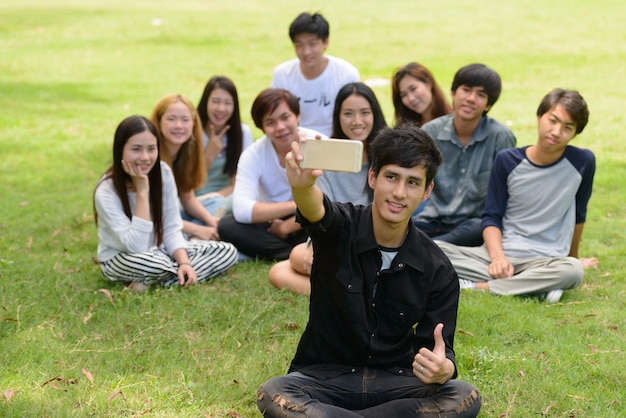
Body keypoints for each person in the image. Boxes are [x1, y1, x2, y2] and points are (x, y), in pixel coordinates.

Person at [257, 124, 481, 417]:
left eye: (413, 182)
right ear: (373, 177)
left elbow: (440, 352)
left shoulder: (437, 268)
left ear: (427, 191)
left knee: (463, 396)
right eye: (391, 177)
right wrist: (301, 186)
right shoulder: (341, 227)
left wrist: (443, 369)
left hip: (395, 381)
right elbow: (316, 210)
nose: (399, 193)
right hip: (324, 378)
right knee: (276, 391)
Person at [436, 88, 598, 303]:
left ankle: (481, 286)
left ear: (575, 133)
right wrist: (498, 258)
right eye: (553, 120)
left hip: (545, 259)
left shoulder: (582, 162)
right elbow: (492, 216)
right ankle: (536, 286)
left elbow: (579, 213)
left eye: (567, 127)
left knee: (573, 271)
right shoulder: (507, 160)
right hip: (498, 253)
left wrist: (573, 258)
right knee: (432, 249)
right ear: (540, 117)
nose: (557, 132)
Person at [93, 116, 238, 292]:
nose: (145, 157)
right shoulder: (106, 191)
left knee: (226, 251)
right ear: (120, 150)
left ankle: (154, 282)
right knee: (155, 264)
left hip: (160, 249)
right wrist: (142, 192)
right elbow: (136, 246)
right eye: (136, 149)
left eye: (151, 149)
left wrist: (184, 263)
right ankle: (171, 277)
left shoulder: (163, 173)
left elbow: (171, 227)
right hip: (123, 257)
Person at [268, 82, 387, 295]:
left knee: (295, 261)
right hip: (335, 242)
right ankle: (352, 293)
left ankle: (349, 291)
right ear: (338, 117)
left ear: (375, 115)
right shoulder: (328, 158)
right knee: (283, 267)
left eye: (364, 113)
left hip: (372, 246)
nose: (356, 121)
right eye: (348, 113)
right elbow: (321, 214)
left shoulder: (387, 160)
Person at [413, 63, 516, 246]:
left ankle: (429, 247)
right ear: (453, 93)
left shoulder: (500, 137)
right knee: (401, 227)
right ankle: (432, 246)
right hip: (431, 220)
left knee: (478, 227)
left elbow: (507, 193)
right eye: (466, 90)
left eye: (480, 95)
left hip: (471, 226)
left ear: (488, 105)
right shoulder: (430, 132)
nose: (470, 99)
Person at [217, 88, 324, 260]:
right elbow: (242, 209)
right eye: (270, 122)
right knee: (227, 225)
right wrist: (296, 207)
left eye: (285, 117)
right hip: (273, 218)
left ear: (297, 116)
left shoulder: (318, 143)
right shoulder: (254, 154)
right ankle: (291, 255)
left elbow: (333, 201)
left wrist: (287, 227)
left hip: (313, 218)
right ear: (262, 127)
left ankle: (289, 252)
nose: (280, 127)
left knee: (327, 223)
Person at [270, 11, 360, 137]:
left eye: (312, 44)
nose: (306, 52)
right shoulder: (282, 74)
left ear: (326, 42)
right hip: (294, 139)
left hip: (335, 140)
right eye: (299, 45)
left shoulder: (346, 74)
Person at [150, 94, 220, 241]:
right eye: (171, 119)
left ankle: (194, 239)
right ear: (159, 122)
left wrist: (210, 222)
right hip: (153, 222)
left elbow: (188, 198)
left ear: (194, 124)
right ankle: (194, 239)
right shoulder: (151, 158)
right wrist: (199, 229)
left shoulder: (187, 152)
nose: (178, 126)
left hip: (174, 217)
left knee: (216, 201)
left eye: (185, 120)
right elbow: (155, 216)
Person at [195, 76, 254, 217]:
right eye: (215, 101)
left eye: (228, 103)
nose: (221, 109)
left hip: (226, 196)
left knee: (253, 197)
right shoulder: (193, 131)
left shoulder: (242, 133)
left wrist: (213, 199)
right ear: (206, 102)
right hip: (195, 195)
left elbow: (238, 184)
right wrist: (208, 156)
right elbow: (189, 184)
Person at [392, 62, 452, 127]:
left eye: (413, 89)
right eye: (403, 95)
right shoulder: (405, 130)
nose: (411, 98)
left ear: (429, 83)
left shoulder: (454, 123)